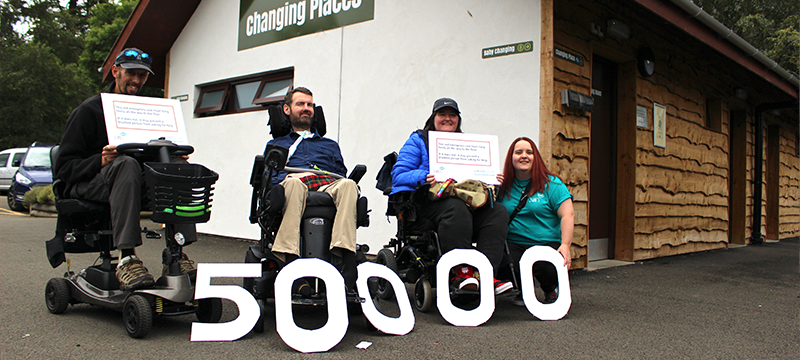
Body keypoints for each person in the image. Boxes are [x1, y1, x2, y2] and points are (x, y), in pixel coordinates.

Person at [55, 48, 197, 291]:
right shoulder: (89, 111)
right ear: (115, 72)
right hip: (91, 182)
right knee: (125, 163)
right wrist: (100, 161)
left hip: (129, 182)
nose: (136, 80)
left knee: (177, 168)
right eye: (131, 73)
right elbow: (64, 168)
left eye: (142, 75)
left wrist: (170, 155)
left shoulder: (146, 112)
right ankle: (127, 258)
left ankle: (176, 253)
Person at [390, 98, 512, 295]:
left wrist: (492, 178)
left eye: (452, 115)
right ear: (434, 118)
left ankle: (486, 275)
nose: (447, 119)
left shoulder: (468, 144)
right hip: (428, 202)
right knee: (455, 208)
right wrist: (424, 176)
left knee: (497, 211)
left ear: (458, 120)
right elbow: (398, 175)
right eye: (442, 115)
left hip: (465, 201)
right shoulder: (418, 140)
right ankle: (461, 273)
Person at [266, 87, 359, 293]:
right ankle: (292, 265)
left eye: (309, 105)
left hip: (326, 182)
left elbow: (340, 174)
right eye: (300, 104)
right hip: (294, 182)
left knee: (349, 185)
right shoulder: (276, 144)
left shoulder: (330, 145)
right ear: (287, 109)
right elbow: (270, 177)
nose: (306, 108)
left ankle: (347, 262)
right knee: (292, 184)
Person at [496, 137, 574, 305]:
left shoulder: (552, 184)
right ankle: (522, 289)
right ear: (511, 158)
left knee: (546, 268)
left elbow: (567, 215)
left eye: (529, 152)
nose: (524, 156)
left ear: (535, 157)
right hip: (513, 243)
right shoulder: (503, 185)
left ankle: (550, 288)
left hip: (545, 242)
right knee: (502, 262)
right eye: (518, 152)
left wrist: (566, 245)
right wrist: (492, 186)